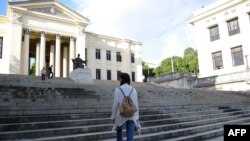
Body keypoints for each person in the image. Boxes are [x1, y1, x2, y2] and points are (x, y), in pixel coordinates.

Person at [111, 73, 140, 141]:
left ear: (122, 79)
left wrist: (113, 116)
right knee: (130, 134)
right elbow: (136, 104)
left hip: (120, 114)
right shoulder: (134, 90)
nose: (119, 80)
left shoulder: (118, 89)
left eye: (120, 79)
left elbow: (115, 104)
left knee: (119, 132)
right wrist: (137, 117)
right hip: (131, 115)